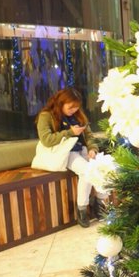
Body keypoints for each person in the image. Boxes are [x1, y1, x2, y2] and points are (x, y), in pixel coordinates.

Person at [35, 88, 107, 228]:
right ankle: (82, 209)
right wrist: (70, 132)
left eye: (76, 107)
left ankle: (99, 203)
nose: (74, 110)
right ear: (60, 103)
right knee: (86, 171)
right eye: (71, 107)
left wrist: (92, 149)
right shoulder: (46, 116)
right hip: (65, 153)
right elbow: (46, 140)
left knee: (101, 167)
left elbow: (89, 136)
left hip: (82, 150)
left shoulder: (78, 115)